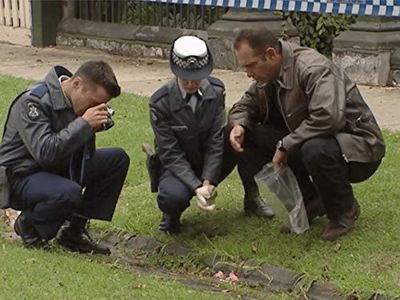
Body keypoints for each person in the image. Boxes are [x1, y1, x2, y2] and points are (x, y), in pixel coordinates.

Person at [228, 27, 385, 241]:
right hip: (313, 138)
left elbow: (329, 117)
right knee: (251, 135)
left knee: (315, 148)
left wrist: (285, 144)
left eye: (251, 65)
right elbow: (243, 107)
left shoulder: (313, 68)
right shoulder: (266, 78)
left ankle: (343, 212)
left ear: (271, 54)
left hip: (359, 145)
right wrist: (239, 125)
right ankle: (311, 201)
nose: (248, 73)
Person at [0, 61, 130, 253]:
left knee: (116, 159)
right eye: (93, 103)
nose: (94, 109)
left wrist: (89, 128)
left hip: (58, 167)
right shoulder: (32, 101)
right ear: (76, 83)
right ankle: (29, 227)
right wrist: (84, 125)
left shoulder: (74, 101)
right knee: (69, 191)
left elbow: (76, 150)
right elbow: (45, 153)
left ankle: (73, 232)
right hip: (21, 175)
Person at [147, 35, 229, 234]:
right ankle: (171, 215)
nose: (192, 84)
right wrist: (195, 186)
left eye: (197, 78)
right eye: (186, 78)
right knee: (172, 197)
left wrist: (208, 181)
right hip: (176, 165)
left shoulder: (216, 91)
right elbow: (170, 152)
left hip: (205, 158)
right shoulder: (160, 102)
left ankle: (251, 198)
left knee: (238, 135)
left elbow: (216, 140)